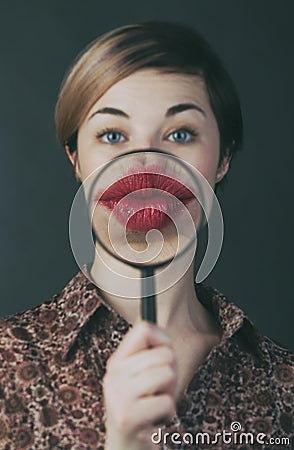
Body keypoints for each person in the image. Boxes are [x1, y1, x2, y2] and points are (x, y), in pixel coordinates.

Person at [0, 22, 293, 450]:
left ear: (223, 158)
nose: (145, 162)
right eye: (113, 136)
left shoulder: (283, 385)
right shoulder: (7, 365)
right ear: (76, 159)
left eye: (179, 134)